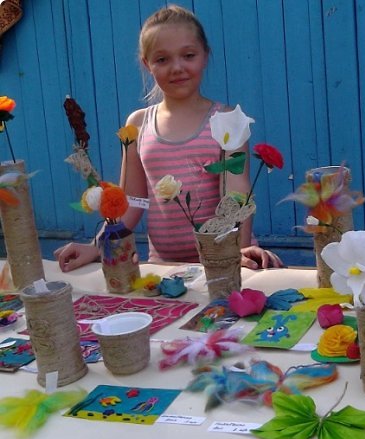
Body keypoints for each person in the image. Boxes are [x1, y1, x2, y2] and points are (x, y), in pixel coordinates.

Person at [55, 4, 283, 272]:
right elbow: (131, 201)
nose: (177, 67)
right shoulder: (138, 124)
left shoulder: (228, 118)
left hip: (225, 260)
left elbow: (238, 191)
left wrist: (238, 251)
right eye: (162, 59)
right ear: (146, 64)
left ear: (205, 56)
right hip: (165, 269)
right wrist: (99, 244)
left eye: (188, 55)